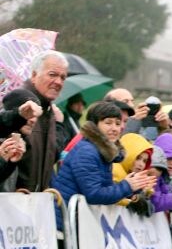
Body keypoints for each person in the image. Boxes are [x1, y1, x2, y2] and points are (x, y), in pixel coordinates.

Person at [51, 102, 156, 224]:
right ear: (94, 125)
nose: (114, 128)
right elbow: (94, 194)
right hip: (66, 224)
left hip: (80, 223)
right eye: (108, 123)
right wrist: (127, 185)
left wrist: (134, 188)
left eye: (118, 123)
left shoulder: (104, 153)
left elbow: (106, 189)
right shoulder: (86, 151)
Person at [18, 50, 69, 192]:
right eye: (52, 74)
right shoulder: (19, 106)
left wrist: (58, 125)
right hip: (12, 204)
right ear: (34, 75)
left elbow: (50, 157)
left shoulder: (49, 112)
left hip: (36, 204)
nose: (58, 82)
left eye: (63, 77)